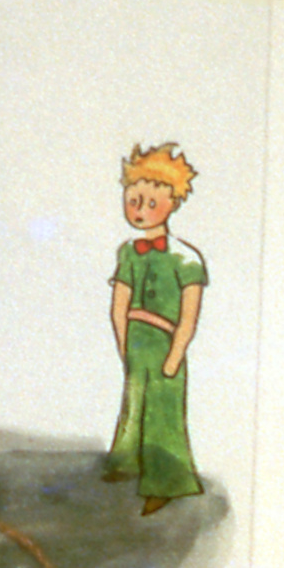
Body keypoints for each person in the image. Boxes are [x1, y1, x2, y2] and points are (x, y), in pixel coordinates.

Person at [103, 142, 204, 514]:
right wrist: (123, 344)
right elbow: (119, 304)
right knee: (134, 401)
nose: (139, 210)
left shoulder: (186, 258)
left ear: (172, 202)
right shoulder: (128, 253)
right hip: (136, 340)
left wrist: (175, 354)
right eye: (133, 201)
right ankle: (126, 460)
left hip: (164, 343)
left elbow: (189, 316)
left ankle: (167, 482)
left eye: (149, 202)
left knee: (163, 412)